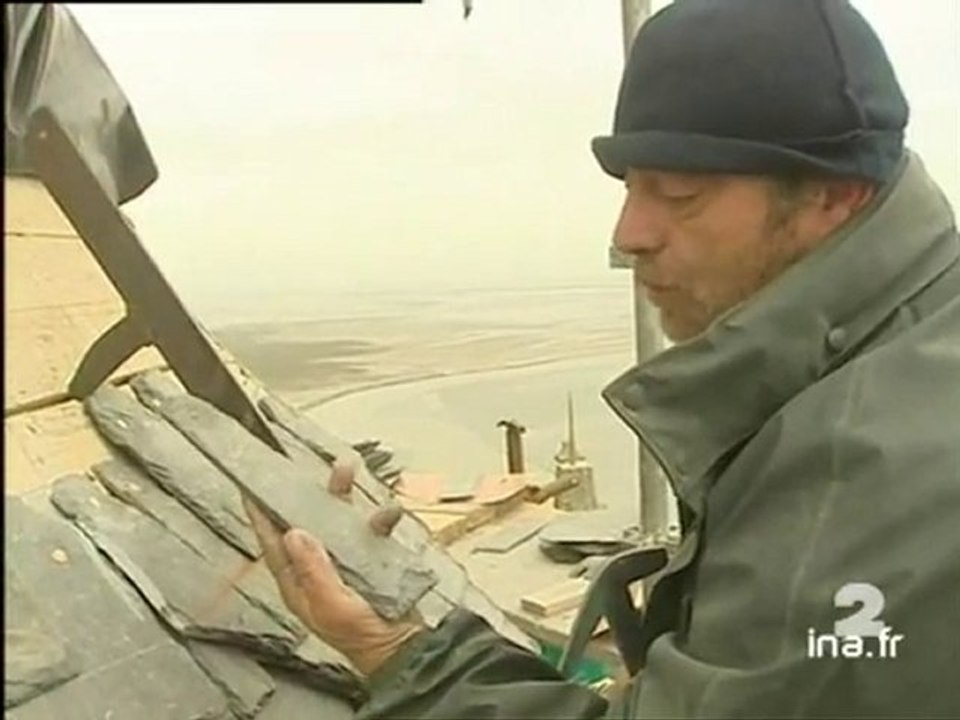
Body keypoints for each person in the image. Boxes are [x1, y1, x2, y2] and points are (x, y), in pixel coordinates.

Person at [246, 0, 960, 717]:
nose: (629, 234)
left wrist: (395, 654)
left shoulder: (867, 482)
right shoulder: (899, 348)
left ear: (833, 197)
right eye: (631, 186)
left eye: (680, 193)